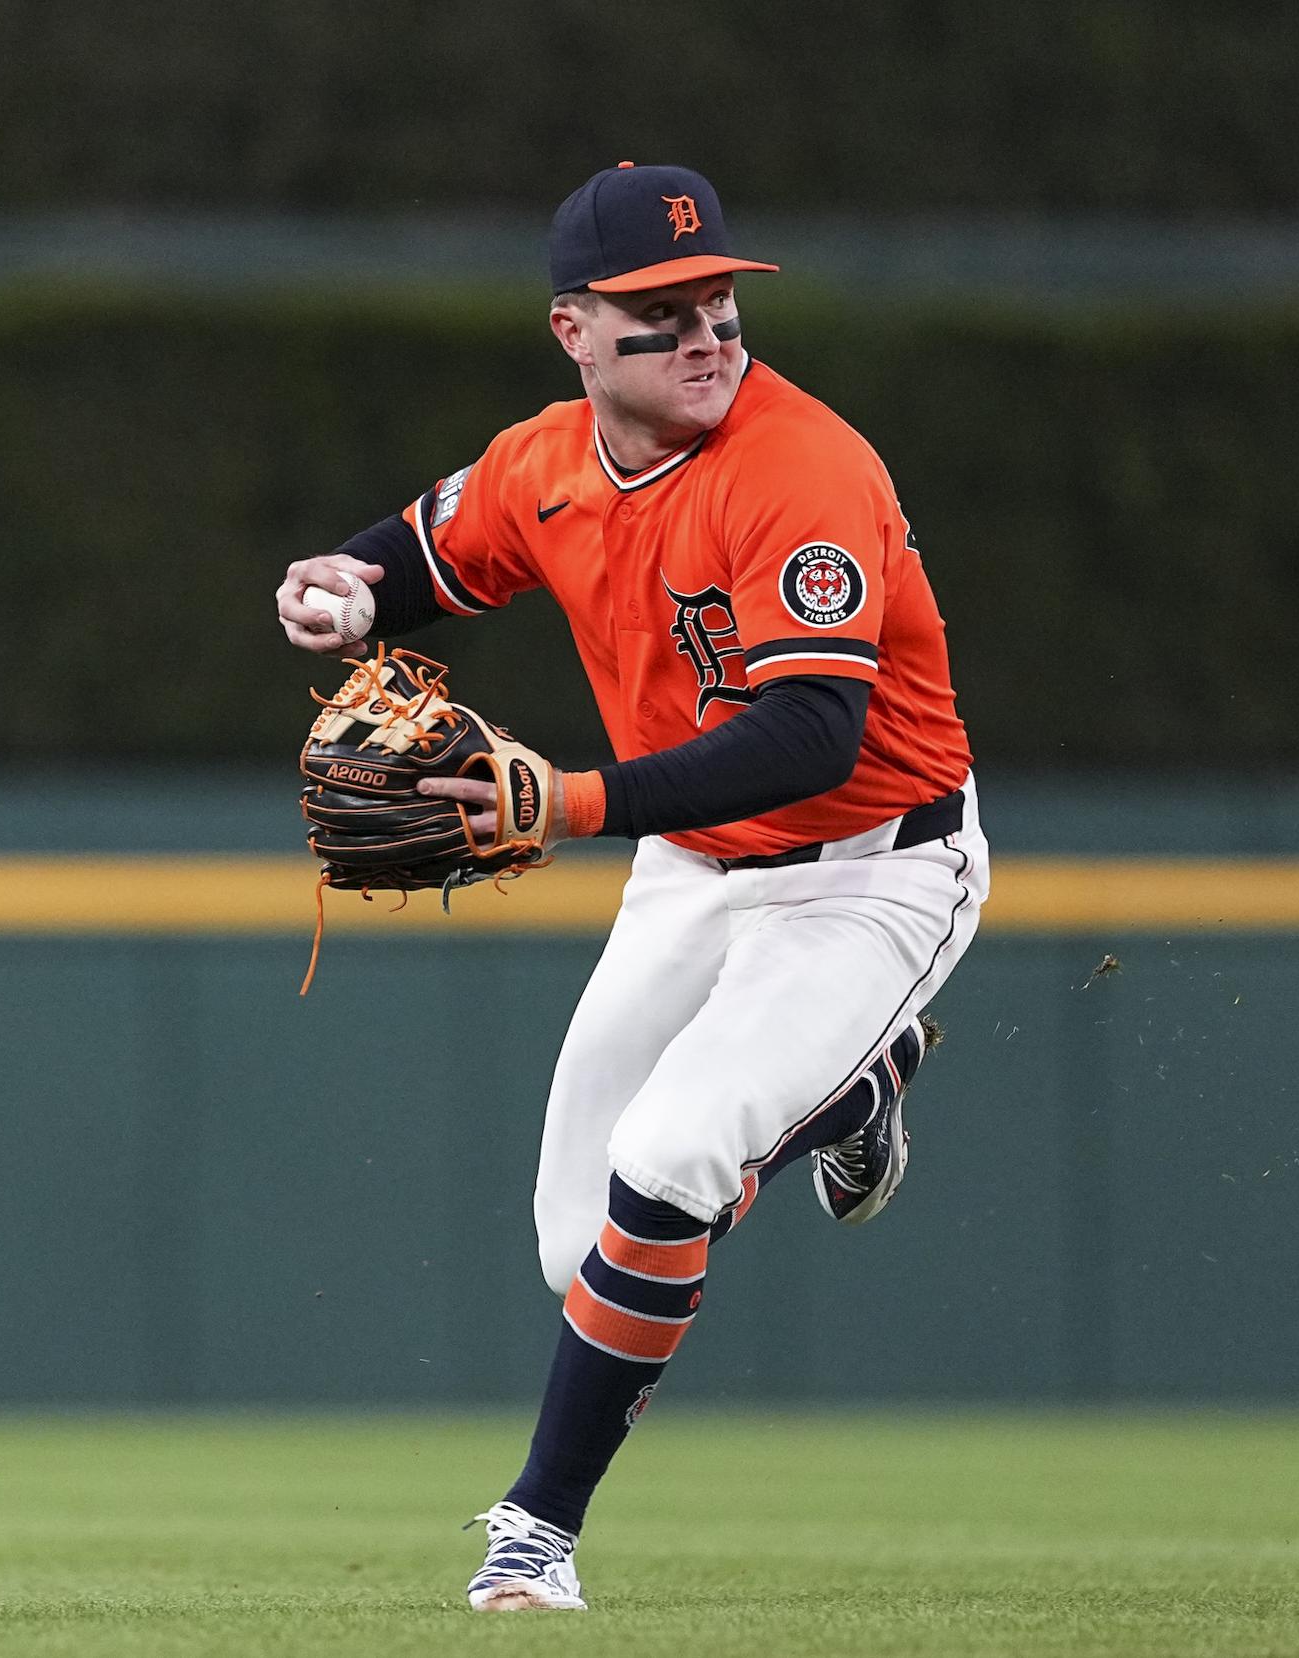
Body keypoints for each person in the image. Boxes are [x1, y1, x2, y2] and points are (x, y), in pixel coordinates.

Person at [272, 162, 985, 1612]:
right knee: (577, 1241)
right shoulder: (547, 460)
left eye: (718, 296)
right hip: (694, 863)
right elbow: (426, 551)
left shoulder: (804, 468)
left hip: (873, 872)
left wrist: (575, 800)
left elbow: (808, 734)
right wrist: (344, 584)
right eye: (660, 313)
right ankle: (850, 1098)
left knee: (666, 1167)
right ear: (575, 335)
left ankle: (535, 1532)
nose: (708, 330)